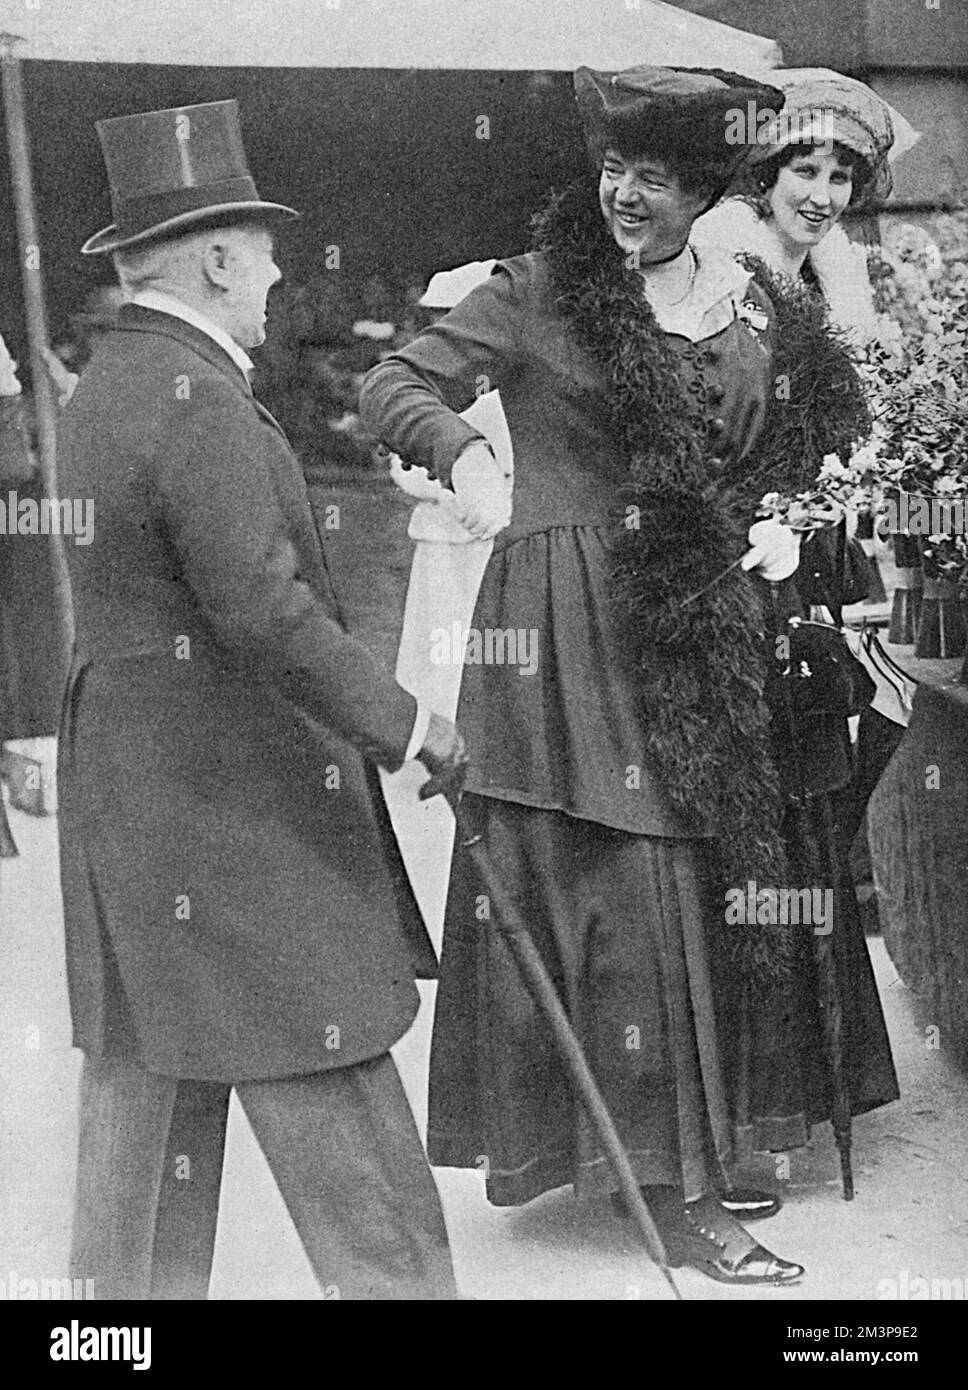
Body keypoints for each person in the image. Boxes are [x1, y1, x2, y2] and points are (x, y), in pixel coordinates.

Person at [360, 63, 884, 1286]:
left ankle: (674, 1154)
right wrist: (464, 460)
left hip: (708, 618)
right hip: (562, 630)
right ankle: (673, 1188)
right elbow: (395, 382)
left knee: (705, 884)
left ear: (706, 189)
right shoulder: (536, 292)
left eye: (654, 175)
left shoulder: (750, 300)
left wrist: (783, 517)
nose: (624, 194)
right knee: (624, 886)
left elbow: (805, 437)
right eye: (612, 169)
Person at [57, 100, 467, 1301]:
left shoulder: (108, 384)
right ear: (220, 255)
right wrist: (407, 725)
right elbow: (267, 613)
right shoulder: (197, 402)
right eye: (266, 248)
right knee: (329, 1060)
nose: (282, 272)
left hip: (140, 809)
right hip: (240, 809)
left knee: (146, 1116)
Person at [694, 73, 904, 1162]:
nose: (821, 192)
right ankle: (743, 1114)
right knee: (753, 823)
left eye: (839, 177)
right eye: (804, 171)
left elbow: (863, 423)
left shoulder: (818, 269)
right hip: (736, 559)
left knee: (807, 810)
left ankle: (787, 1103)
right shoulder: (723, 258)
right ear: (764, 173)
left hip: (807, 558)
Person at [693, 70, 907, 347]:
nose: (822, 198)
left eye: (839, 178)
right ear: (769, 178)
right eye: (806, 172)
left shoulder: (841, 278)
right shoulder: (722, 268)